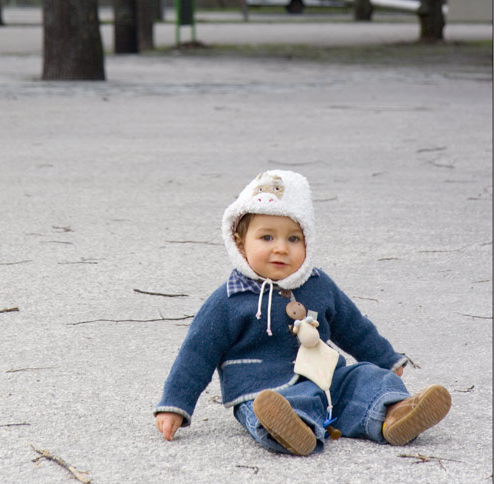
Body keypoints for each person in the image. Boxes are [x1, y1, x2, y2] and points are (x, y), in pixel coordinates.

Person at [154, 169, 451, 455]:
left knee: (366, 379)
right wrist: (175, 403)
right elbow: (196, 353)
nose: (281, 248)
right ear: (240, 243)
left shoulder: (318, 285)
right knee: (276, 405)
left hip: (326, 379)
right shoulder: (230, 298)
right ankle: (293, 429)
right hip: (262, 387)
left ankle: (395, 413)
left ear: (308, 240)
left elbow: (353, 326)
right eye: (267, 237)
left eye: (293, 238)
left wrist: (385, 359)